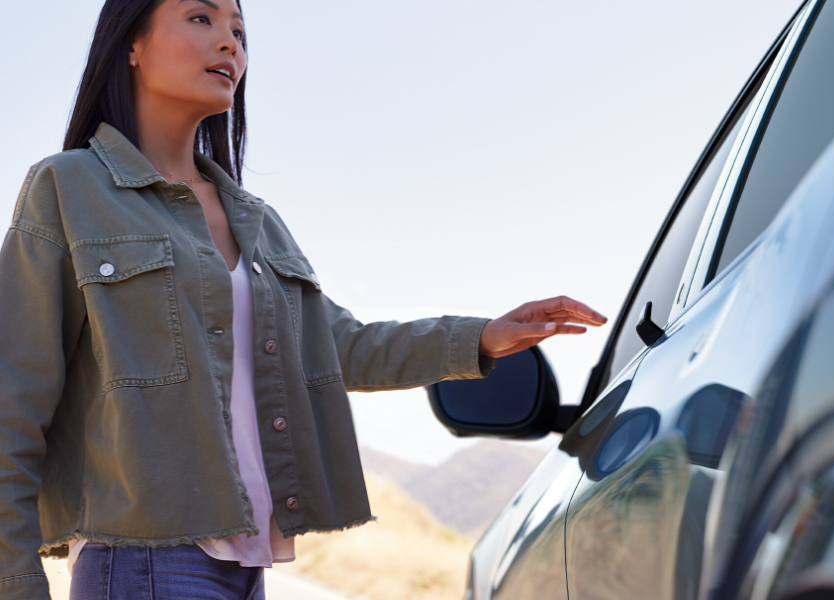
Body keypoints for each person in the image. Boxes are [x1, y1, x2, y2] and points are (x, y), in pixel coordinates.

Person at [0, 0, 607, 598]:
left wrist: (480, 336)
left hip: (246, 569)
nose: (230, 43)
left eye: (239, 29)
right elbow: (13, 402)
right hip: (145, 562)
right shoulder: (69, 187)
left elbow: (338, 345)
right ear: (131, 43)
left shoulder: (257, 221)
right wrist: (16, 579)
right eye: (201, 17)